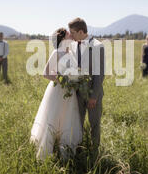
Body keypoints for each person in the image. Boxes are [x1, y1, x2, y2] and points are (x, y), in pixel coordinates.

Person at [30, 28, 82, 160]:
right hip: (58, 90)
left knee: (68, 118)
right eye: (68, 34)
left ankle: (66, 151)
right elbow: (46, 73)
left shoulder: (71, 53)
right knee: (53, 117)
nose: (71, 34)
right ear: (63, 38)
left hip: (70, 92)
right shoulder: (57, 52)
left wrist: (75, 80)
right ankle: (46, 152)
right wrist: (62, 80)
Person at [69, 17, 105, 158]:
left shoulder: (97, 46)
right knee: (77, 123)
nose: (70, 36)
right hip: (77, 93)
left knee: (94, 124)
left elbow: (99, 73)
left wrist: (94, 96)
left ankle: (94, 152)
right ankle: (79, 149)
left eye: (73, 33)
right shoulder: (72, 45)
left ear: (81, 31)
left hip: (92, 94)